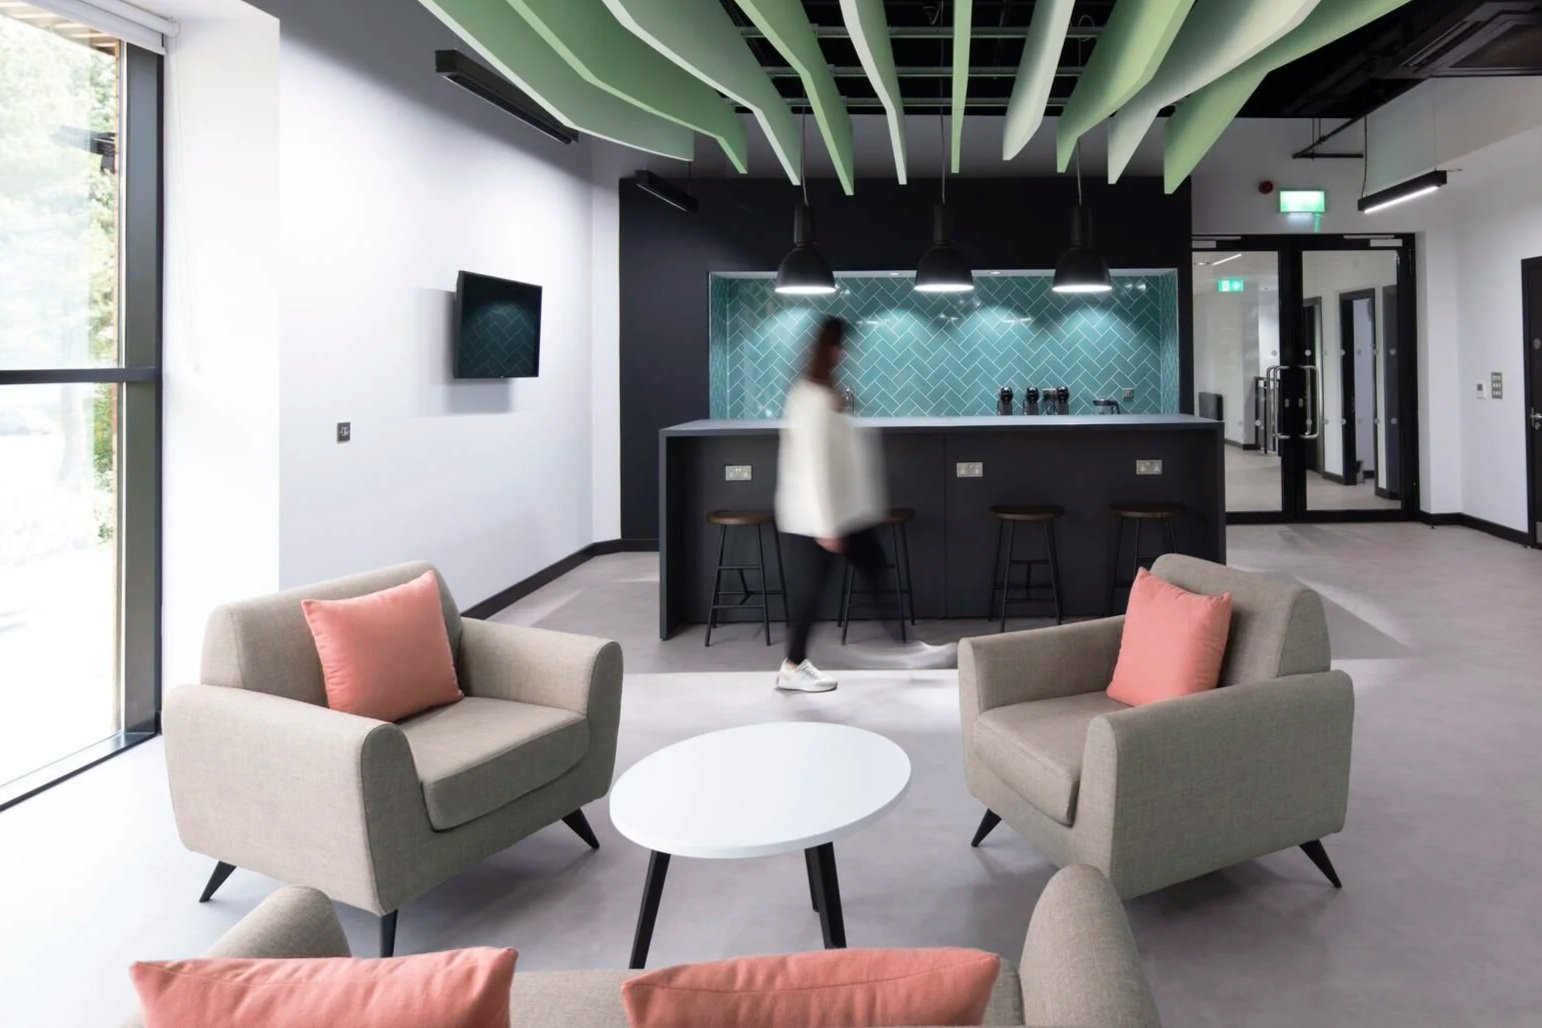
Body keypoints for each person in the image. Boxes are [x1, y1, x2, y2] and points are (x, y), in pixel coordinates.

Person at [773, 317, 956, 693]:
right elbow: (813, 462)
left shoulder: (823, 391)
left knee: (874, 573)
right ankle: (793, 664)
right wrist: (826, 525)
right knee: (814, 592)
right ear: (830, 348)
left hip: (844, 511)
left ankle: (906, 647)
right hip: (822, 517)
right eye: (841, 346)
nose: (845, 353)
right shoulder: (812, 396)